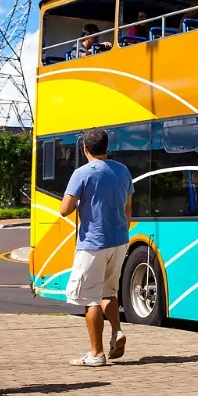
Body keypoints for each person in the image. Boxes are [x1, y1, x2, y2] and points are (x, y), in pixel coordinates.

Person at [60, 127, 134, 367]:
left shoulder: (82, 173)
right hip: (120, 240)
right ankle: (117, 331)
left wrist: (81, 200)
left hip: (93, 243)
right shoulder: (122, 170)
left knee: (90, 298)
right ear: (106, 146)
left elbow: (65, 209)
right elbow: (128, 208)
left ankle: (96, 354)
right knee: (108, 292)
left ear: (85, 149)